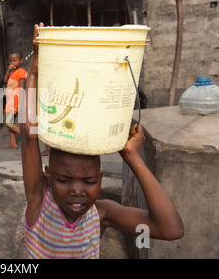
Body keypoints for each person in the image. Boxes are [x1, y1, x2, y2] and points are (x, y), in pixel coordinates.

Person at [20, 23, 184, 259]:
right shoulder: (38, 201)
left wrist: (131, 156)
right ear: (48, 175)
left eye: (89, 181)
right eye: (64, 180)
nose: (78, 190)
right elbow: (28, 134)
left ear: (101, 179)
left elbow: (171, 229)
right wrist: (35, 69)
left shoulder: (102, 213)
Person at [3, 51, 27, 148]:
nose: (12, 63)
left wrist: (21, 102)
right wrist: (8, 71)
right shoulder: (13, 72)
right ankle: (13, 143)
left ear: (21, 61)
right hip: (10, 100)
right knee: (10, 121)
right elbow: (5, 81)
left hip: (15, 100)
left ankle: (25, 136)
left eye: (15, 61)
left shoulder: (21, 71)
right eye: (11, 61)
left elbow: (22, 87)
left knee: (7, 122)